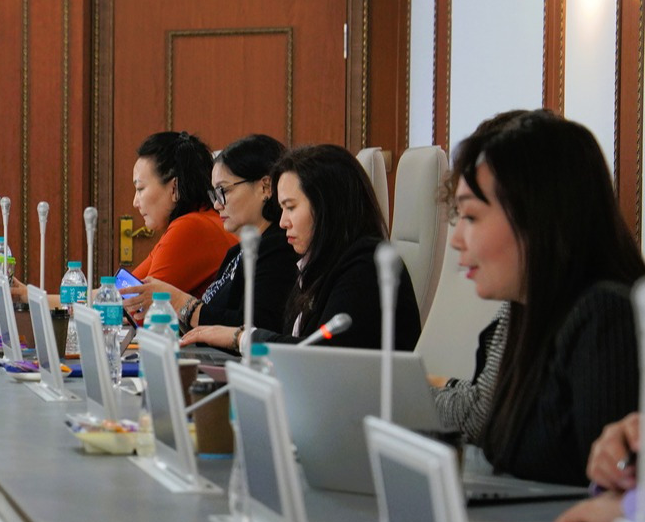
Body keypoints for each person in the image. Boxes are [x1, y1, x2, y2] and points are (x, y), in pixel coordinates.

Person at [427, 110, 641, 489]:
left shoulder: (604, 316)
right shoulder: (523, 312)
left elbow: (615, 496)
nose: (457, 240)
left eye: (471, 217)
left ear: (537, 216)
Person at [259, 143, 419, 350]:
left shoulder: (367, 267)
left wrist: (245, 339)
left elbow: (325, 354)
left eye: (291, 207)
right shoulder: (319, 263)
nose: (282, 222)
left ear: (328, 206)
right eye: (282, 209)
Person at [167, 134, 299, 352]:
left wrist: (183, 304)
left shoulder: (279, 248)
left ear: (265, 187)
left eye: (224, 191)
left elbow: (255, 328)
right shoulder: (237, 251)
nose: (217, 205)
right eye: (214, 194)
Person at [125, 130, 231, 298]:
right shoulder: (200, 219)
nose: (135, 202)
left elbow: (137, 302)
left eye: (140, 189)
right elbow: (123, 291)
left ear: (174, 187)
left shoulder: (191, 227)